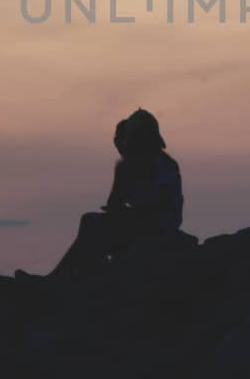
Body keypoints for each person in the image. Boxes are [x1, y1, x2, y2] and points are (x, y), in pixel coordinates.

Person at [51, 108, 184, 276]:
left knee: (94, 227)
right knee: (90, 222)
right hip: (140, 223)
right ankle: (69, 274)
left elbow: (164, 204)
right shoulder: (129, 167)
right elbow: (115, 203)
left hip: (159, 226)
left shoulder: (163, 164)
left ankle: (62, 275)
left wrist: (132, 213)